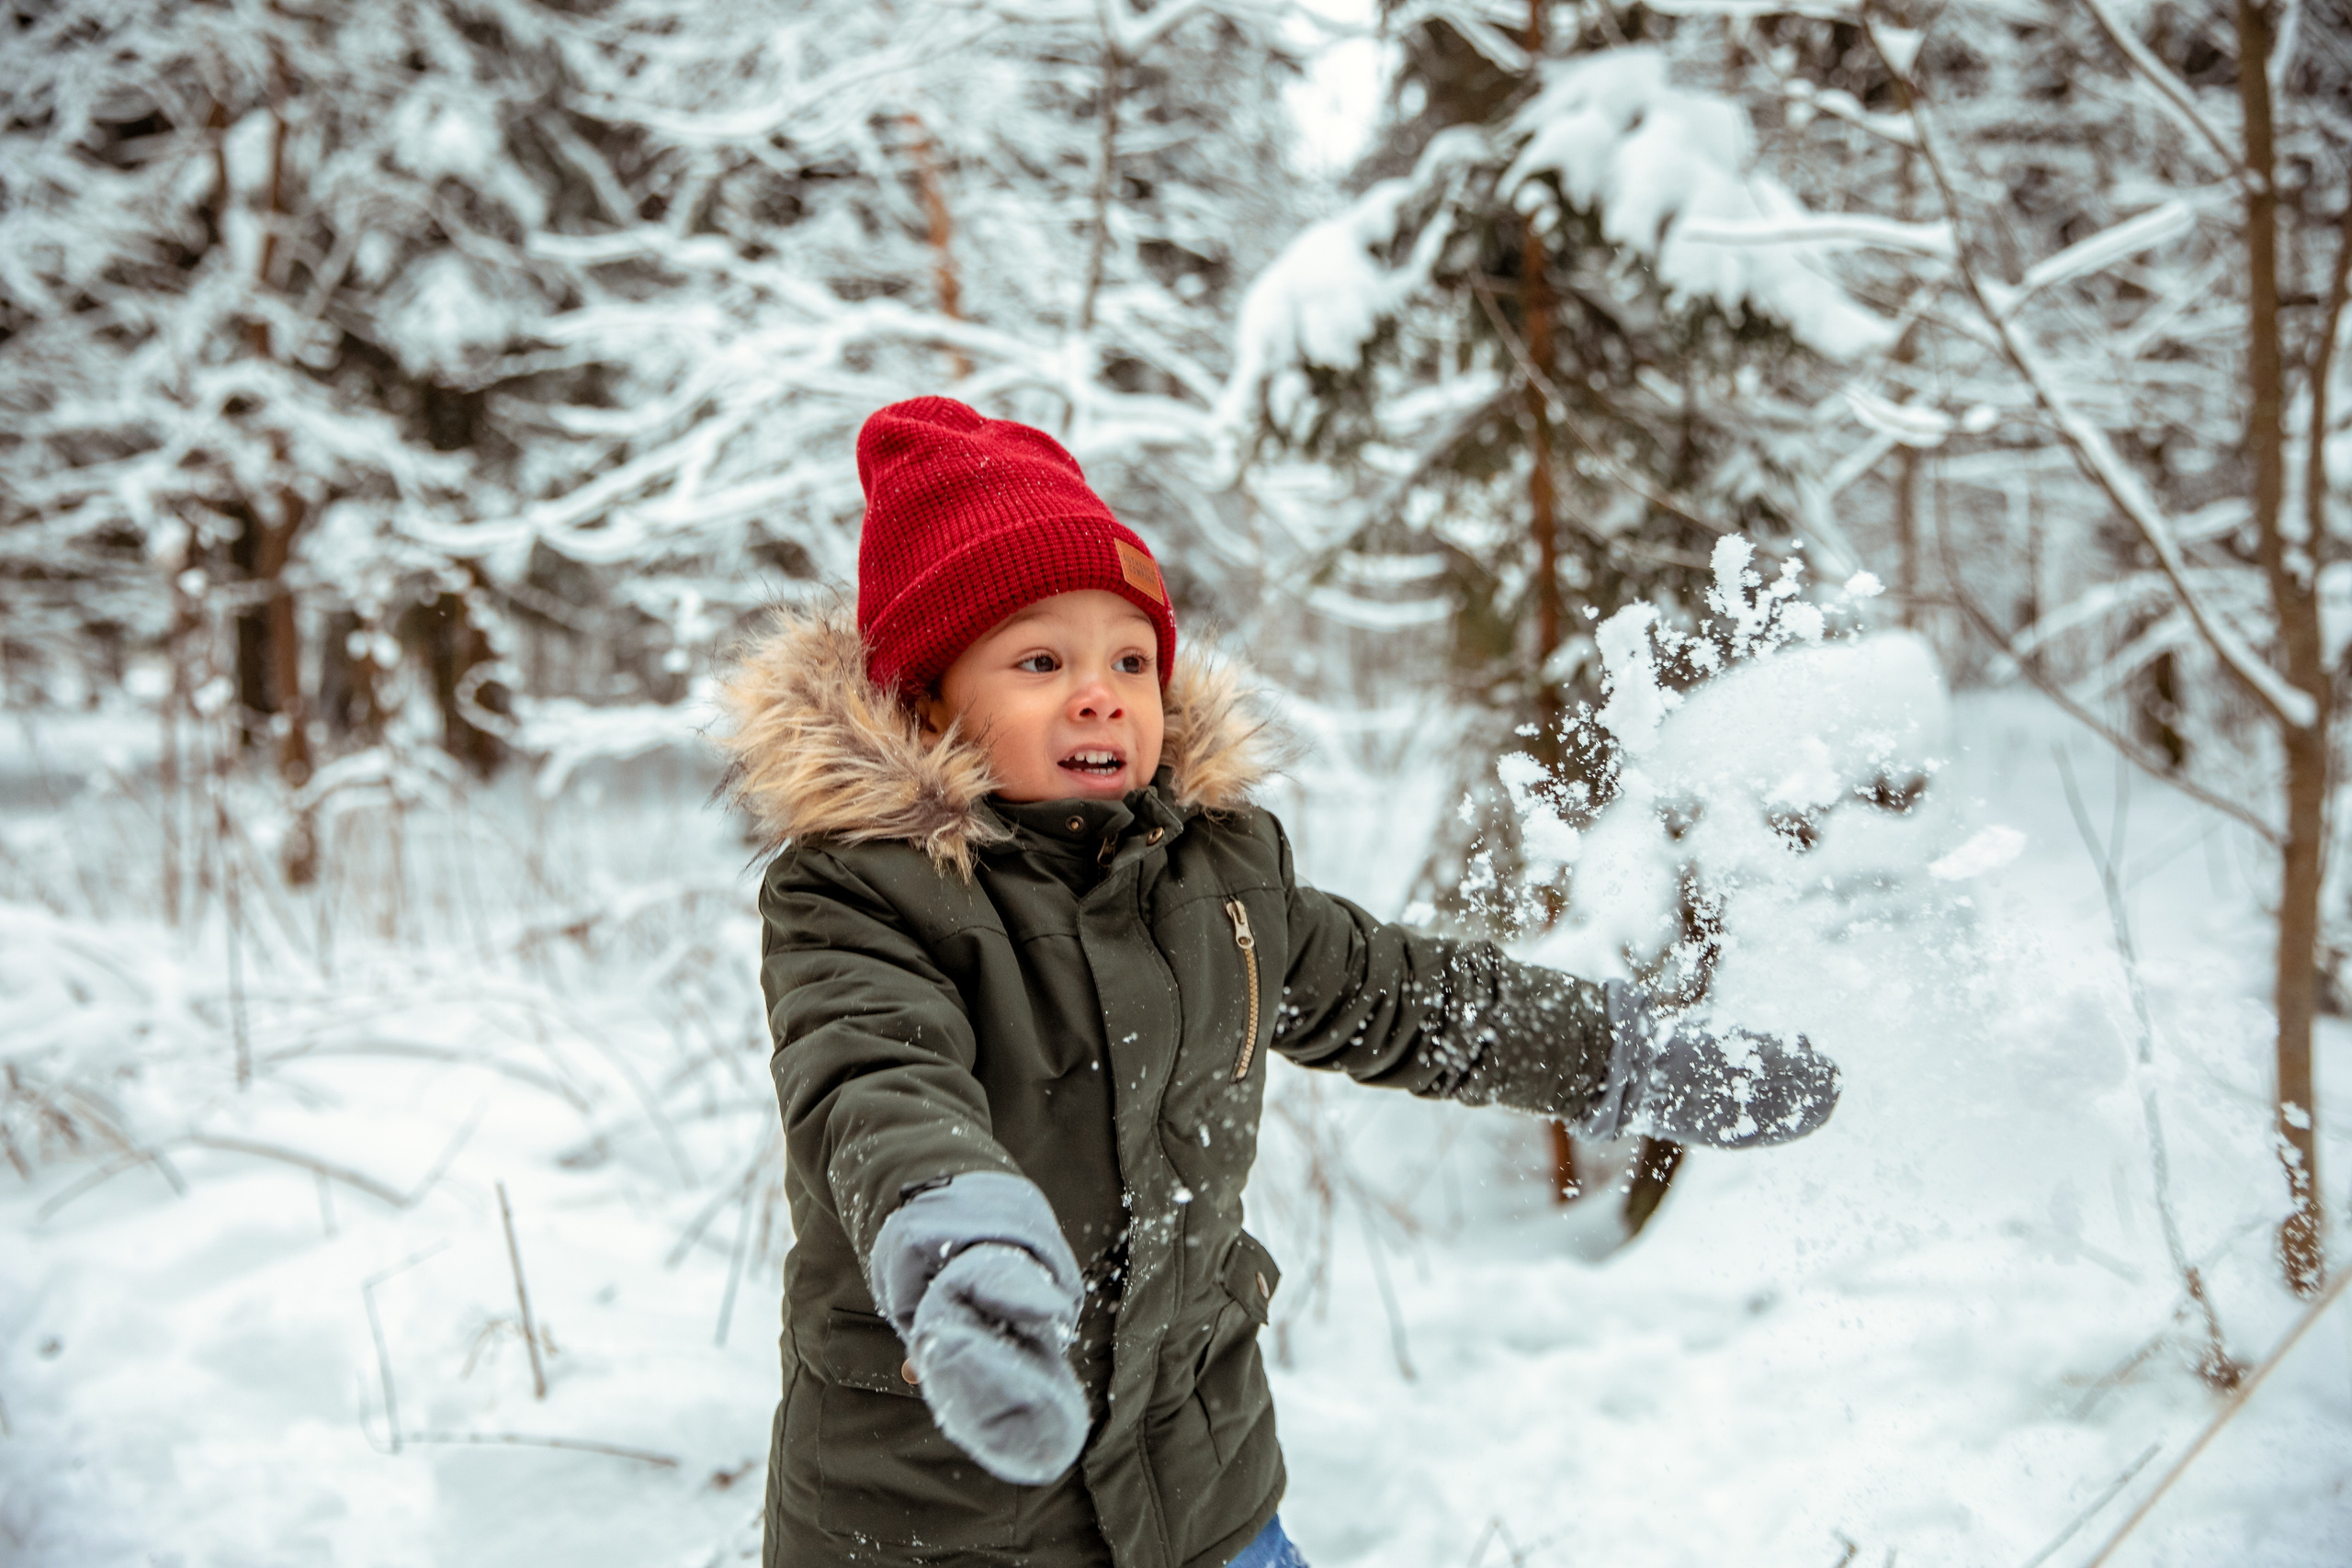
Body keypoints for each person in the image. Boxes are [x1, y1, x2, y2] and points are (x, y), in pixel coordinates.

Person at [719, 397, 1841, 1568]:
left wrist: (1626, 1057)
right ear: (929, 697)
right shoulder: (857, 898)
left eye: (1131, 659)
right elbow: (873, 1079)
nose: (1100, 692)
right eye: (1040, 660)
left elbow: (1409, 998)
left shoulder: (1216, 882)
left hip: (1201, 1490)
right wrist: (961, 1249)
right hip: (935, 1514)